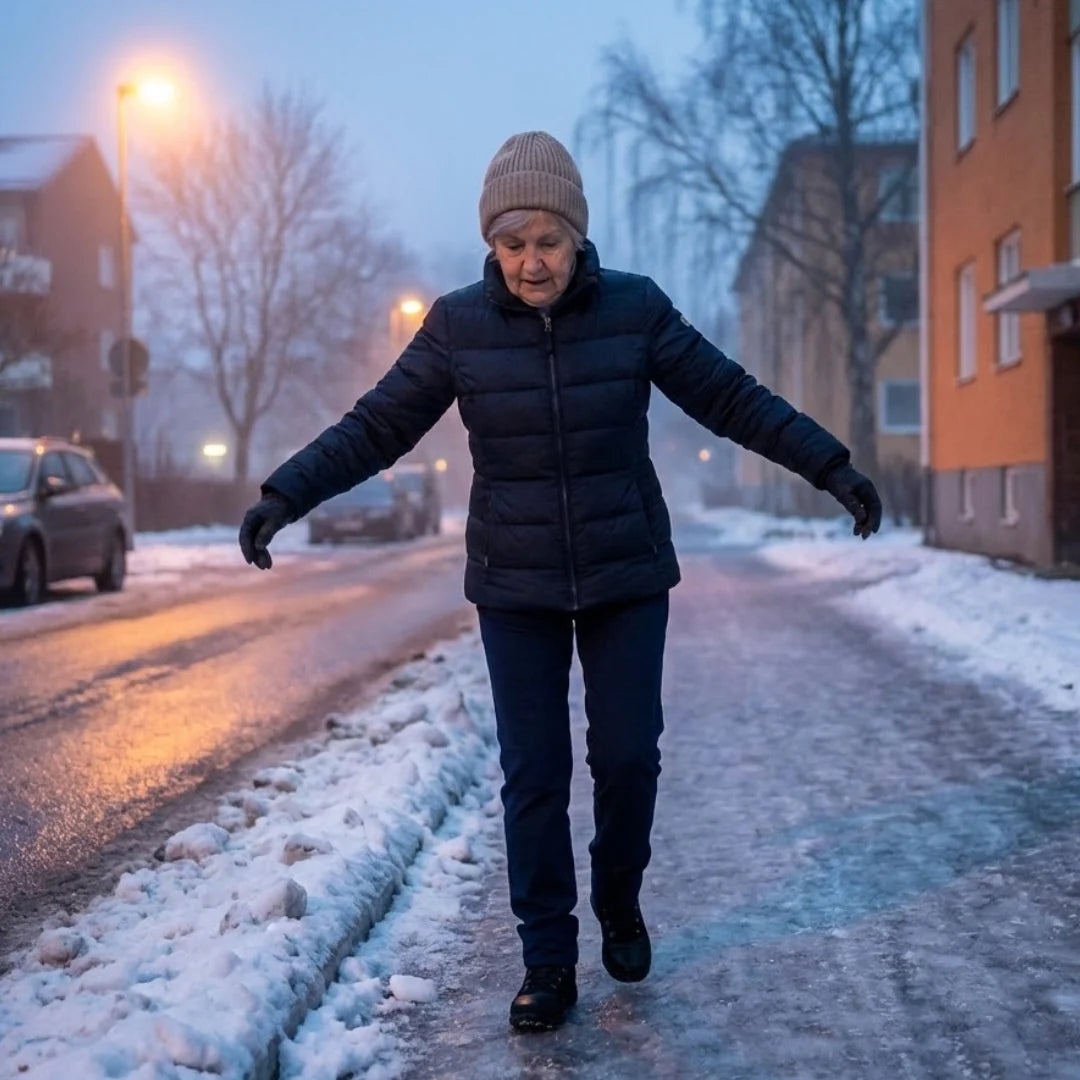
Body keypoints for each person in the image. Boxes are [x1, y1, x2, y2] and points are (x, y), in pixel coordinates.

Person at [238, 131, 882, 1033]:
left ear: (577, 237)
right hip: (516, 583)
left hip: (624, 573)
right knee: (532, 775)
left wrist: (832, 466)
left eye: (547, 240)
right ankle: (547, 958)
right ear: (490, 247)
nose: (530, 262)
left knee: (626, 758)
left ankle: (618, 899)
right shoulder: (459, 326)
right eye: (511, 243)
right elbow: (378, 424)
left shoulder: (636, 310)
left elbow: (732, 397)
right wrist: (285, 492)